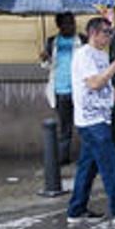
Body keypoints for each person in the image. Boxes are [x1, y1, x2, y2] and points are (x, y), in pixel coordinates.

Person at [67, 16, 115, 225]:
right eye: (106, 32)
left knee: (88, 167)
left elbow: (106, 84)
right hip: (91, 120)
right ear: (93, 33)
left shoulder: (100, 54)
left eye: (111, 32)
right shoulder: (83, 56)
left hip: (101, 117)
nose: (109, 37)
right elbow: (94, 83)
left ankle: (76, 210)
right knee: (109, 166)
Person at [40, 13, 86, 164]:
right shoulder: (52, 42)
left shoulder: (82, 40)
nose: (71, 26)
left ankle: (86, 156)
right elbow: (46, 67)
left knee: (83, 124)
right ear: (60, 26)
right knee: (65, 127)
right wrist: (44, 59)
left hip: (79, 89)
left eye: (72, 23)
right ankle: (63, 157)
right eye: (67, 24)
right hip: (60, 90)